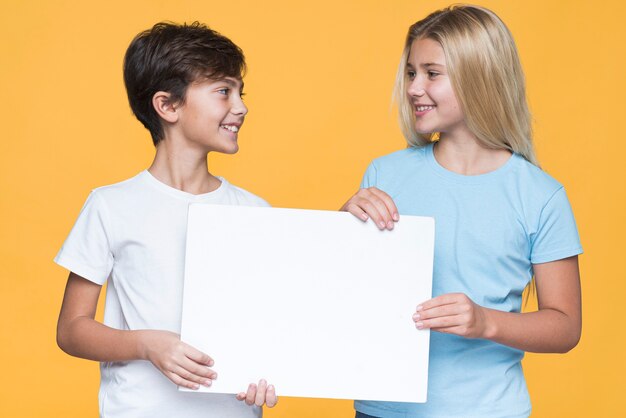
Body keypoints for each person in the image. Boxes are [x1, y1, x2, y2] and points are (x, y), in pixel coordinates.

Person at [341, 5, 582, 418]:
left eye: (432, 74)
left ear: (479, 77)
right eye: (412, 73)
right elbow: (343, 291)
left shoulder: (540, 195)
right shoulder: (385, 173)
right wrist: (342, 225)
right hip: (382, 409)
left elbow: (565, 326)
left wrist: (485, 322)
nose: (415, 87)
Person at [55, 22, 277, 417]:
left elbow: (272, 319)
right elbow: (72, 329)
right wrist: (147, 344)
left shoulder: (255, 211)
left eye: (241, 92)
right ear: (168, 105)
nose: (241, 107)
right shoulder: (111, 205)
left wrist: (271, 369)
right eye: (224, 91)